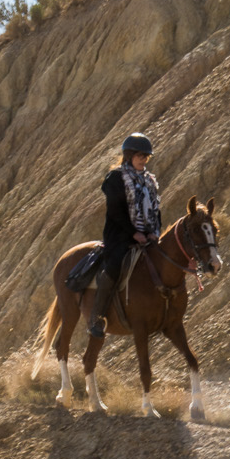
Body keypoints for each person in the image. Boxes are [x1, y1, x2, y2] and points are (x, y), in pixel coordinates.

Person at [89, 133, 161, 337]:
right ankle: (97, 317)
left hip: (147, 235)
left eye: (146, 156)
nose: (144, 160)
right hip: (120, 235)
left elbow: (156, 209)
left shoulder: (149, 180)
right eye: (140, 156)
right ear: (129, 156)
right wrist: (133, 233)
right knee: (114, 266)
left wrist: (155, 232)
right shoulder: (116, 178)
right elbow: (115, 211)